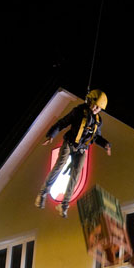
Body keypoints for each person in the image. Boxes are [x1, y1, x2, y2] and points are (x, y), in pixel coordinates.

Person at [34, 90, 111, 218]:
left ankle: (64, 205)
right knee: (59, 165)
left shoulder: (98, 121)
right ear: (90, 101)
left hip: (81, 149)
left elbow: (96, 137)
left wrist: (106, 144)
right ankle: (42, 193)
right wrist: (51, 134)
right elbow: (62, 123)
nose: (96, 109)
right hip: (69, 144)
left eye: (99, 108)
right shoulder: (79, 111)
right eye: (95, 105)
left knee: (76, 175)